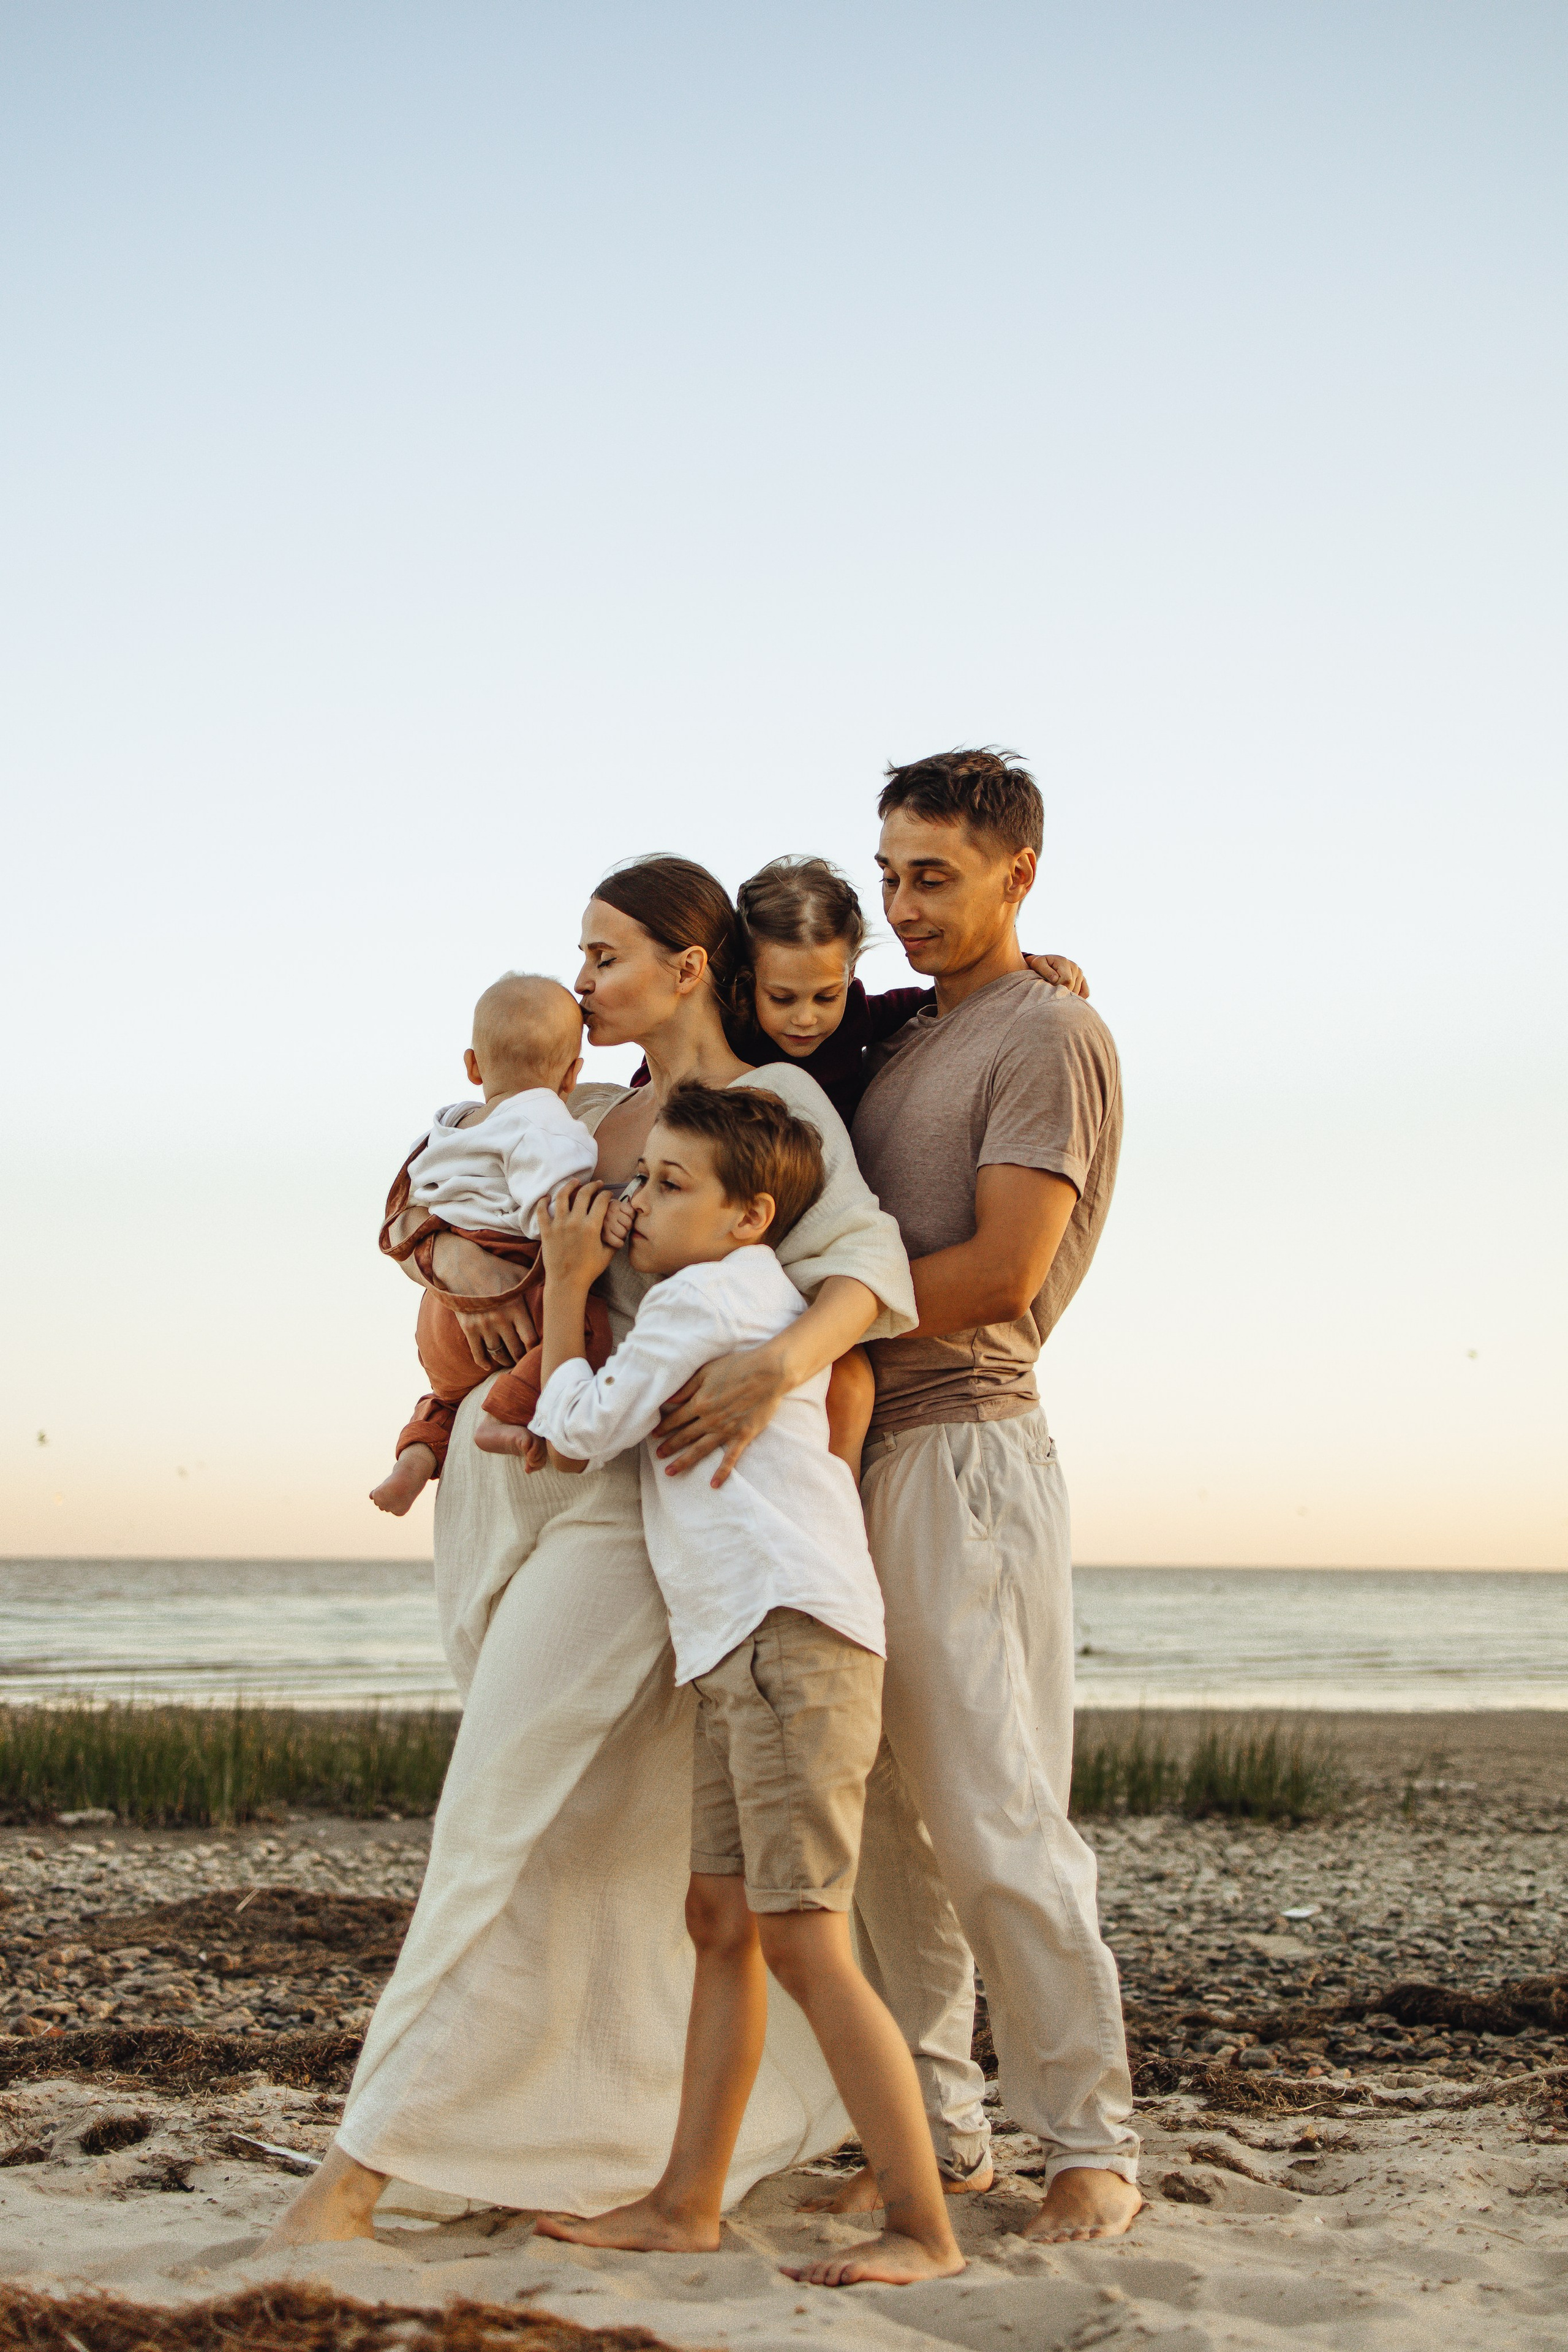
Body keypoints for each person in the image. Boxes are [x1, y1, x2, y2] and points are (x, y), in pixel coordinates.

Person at [262, 856, 916, 2250]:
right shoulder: (579, 1107)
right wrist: (458, 1270)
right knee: (602, 1842)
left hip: (638, 1510)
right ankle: (606, 2143)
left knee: (490, 1808)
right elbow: (420, 1204)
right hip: (528, 1495)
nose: (580, 979)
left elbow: (866, 1271)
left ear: (688, 968)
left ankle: (354, 2177)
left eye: (605, 954)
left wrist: (772, 1370)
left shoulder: (763, 1108)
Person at [526, 1083, 962, 2286]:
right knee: (721, 1922)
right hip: (745, 1644)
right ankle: (686, 2204)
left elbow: (580, 1430)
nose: (634, 1202)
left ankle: (922, 2229)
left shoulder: (701, 1299)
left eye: (668, 1185)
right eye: (640, 1176)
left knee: (805, 1941)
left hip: (786, 1641)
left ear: (744, 1216)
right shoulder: (740, 1293)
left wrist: (566, 1280)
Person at [831, 747, 1143, 2242]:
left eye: (933, 876)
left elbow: (999, 1272)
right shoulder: (896, 1038)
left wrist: (796, 1338)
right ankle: (944, 2135)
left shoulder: (1048, 1031)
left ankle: (1090, 2146)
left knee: (994, 1812)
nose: (901, 906)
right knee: (884, 1822)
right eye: (889, 873)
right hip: (848, 1456)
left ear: (1019, 870)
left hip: (964, 1451)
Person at [368, 974, 609, 1517]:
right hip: (510, 1281)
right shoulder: (547, 1123)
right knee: (590, 1326)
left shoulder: (445, 1127)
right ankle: (506, 1413)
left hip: (438, 1312)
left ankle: (415, 1459)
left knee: (448, 1397)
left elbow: (404, 1205)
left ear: (473, 1066)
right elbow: (553, 1214)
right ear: (572, 1075)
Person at [630, 852, 1089, 1124]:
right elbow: (655, 1080)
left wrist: (1027, 966)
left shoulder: (858, 1014)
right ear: (749, 983)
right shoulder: (728, 1026)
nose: (807, 1018)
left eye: (826, 996)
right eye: (782, 998)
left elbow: (956, 992)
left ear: (851, 975)